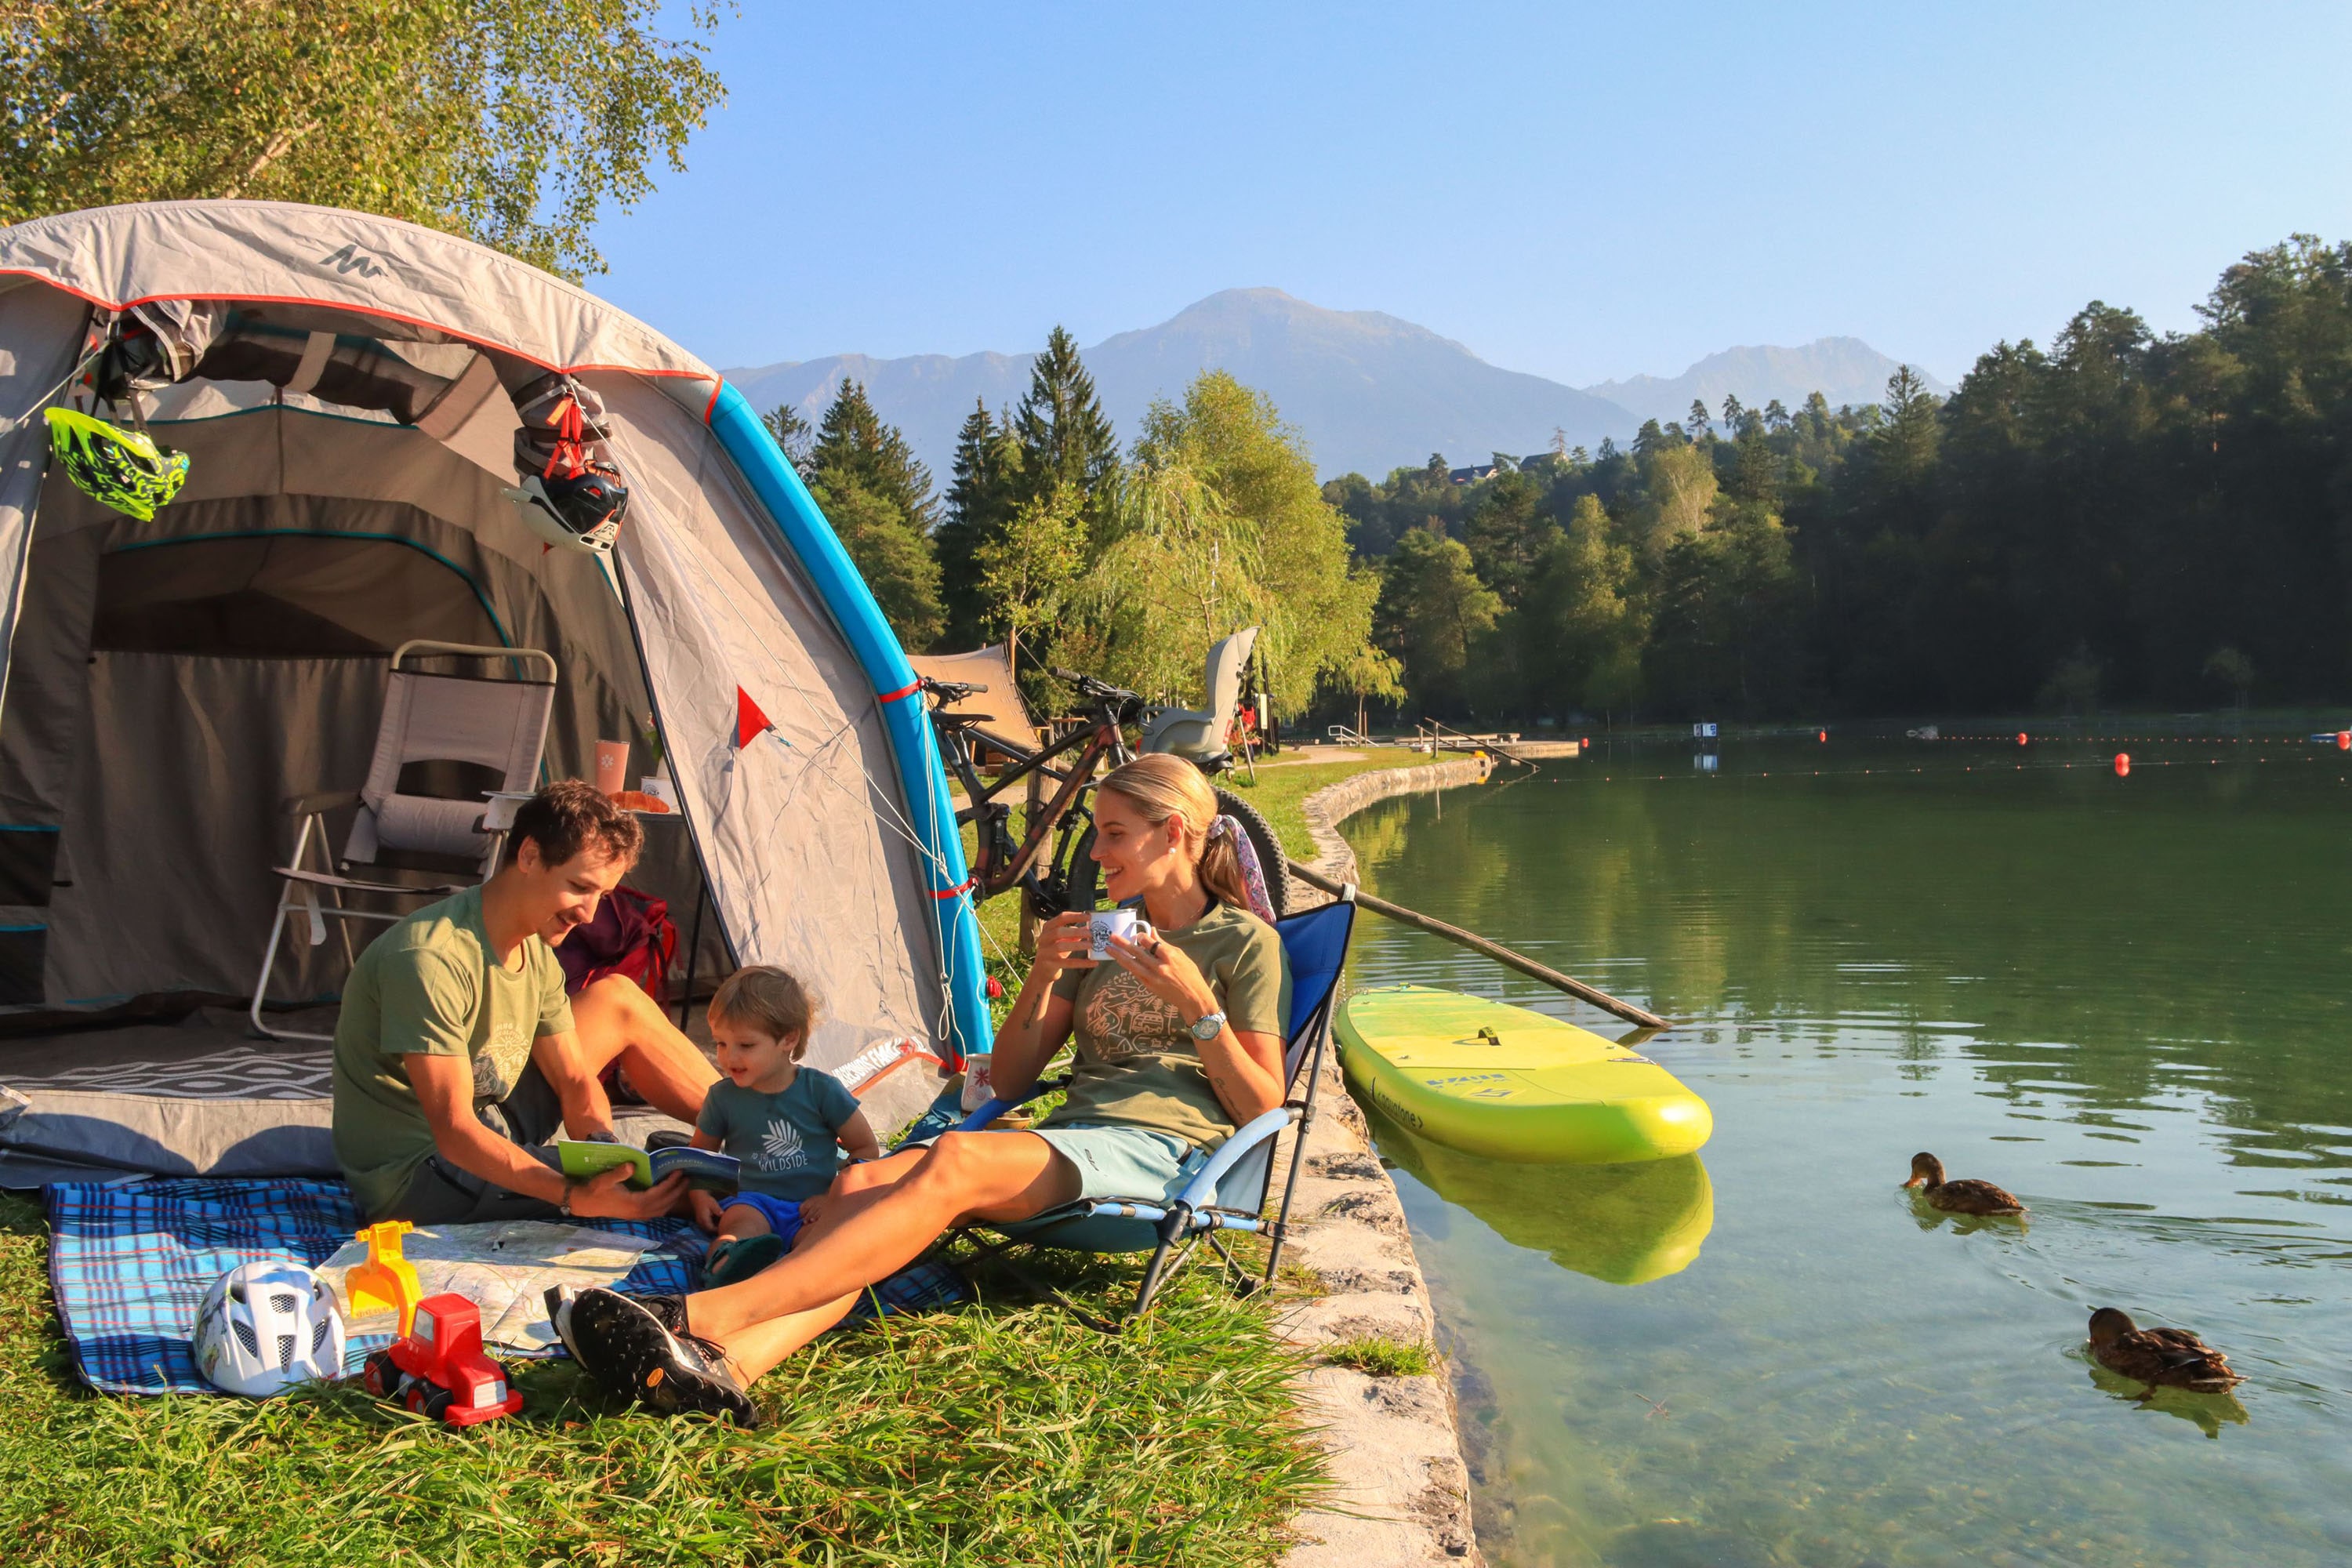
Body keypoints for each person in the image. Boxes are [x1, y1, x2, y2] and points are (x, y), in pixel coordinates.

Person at [552, 754, 1290, 1422]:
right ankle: (726, 1369)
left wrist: (1201, 1010)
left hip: (1166, 1157)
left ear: (1174, 834)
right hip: (1074, 1142)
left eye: (1114, 834)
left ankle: (693, 1317)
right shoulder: (1106, 938)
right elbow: (1008, 1079)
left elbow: (1265, 1109)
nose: (1095, 853)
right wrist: (1042, 970)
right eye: (1095, 833)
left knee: (955, 1161)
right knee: (863, 1183)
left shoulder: (1244, 943)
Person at [331, 779, 720, 1225]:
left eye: (603, 896)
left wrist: (601, 1152)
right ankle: (748, 1182)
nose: (589, 914)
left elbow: (575, 1079)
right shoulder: (430, 959)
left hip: (491, 1119)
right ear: (530, 856)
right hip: (420, 1173)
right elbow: (456, 1132)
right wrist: (572, 1194)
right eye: (579, 887)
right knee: (674, 1192)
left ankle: (769, 1128)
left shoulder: (534, 949)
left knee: (617, 999)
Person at [689, 965, 883, 1286]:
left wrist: (834, 1197)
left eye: (745, 1045)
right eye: (721, 1043)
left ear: (788, 1038)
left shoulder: (821, 1090)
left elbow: (865, 1148)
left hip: (812, 1206)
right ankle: (727, 1272)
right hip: (752, 1201)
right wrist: (699, 1196)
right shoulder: (722, 1097)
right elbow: (700, 1158)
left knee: (822, 1245)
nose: (728, 1058)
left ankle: (793, 1281)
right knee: (738, 1231)